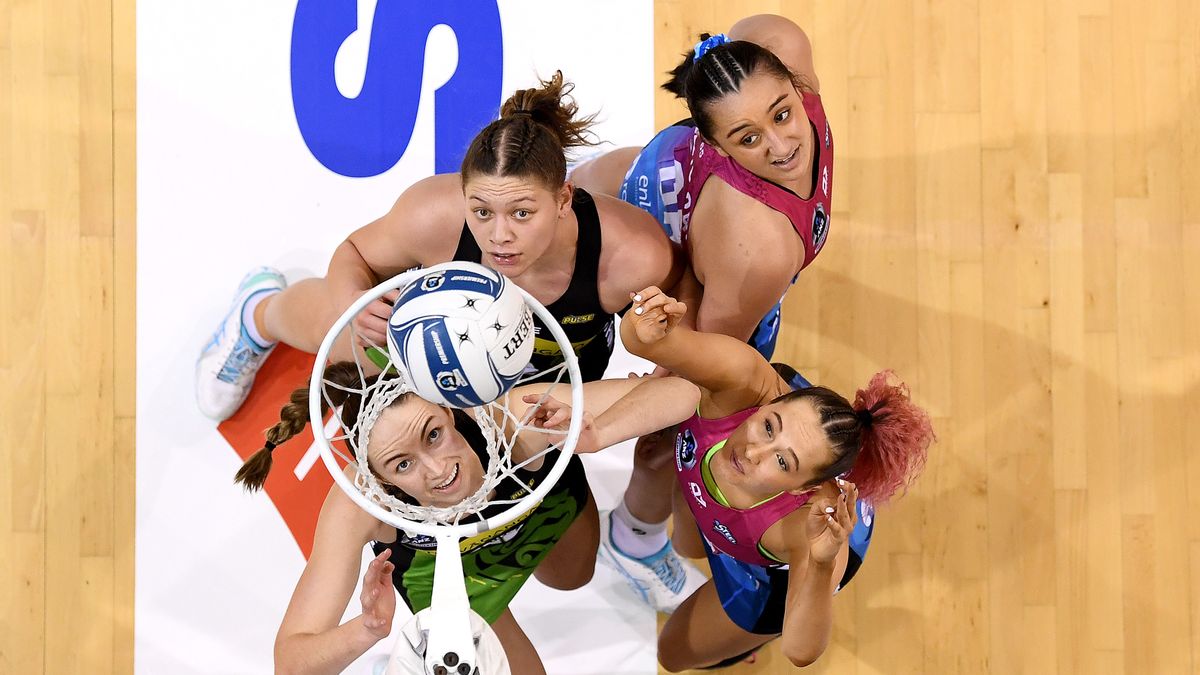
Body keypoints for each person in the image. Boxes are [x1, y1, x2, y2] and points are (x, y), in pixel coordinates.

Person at [196, 71, 681, 419]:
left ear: (562, 199)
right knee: (350, 336)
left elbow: (680, 337)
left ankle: (634, 535)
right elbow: (356, 254)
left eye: (521, 213)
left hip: (550, 379)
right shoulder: (436, 213)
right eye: (482, 211)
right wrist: (351, 305)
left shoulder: (631, 254)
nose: (499, 235)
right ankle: (258, 312)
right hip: (440, 338)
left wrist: (657, 361)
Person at [570, 14, 836, 614]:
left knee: (581, 192)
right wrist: (612, 421)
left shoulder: (782, 41)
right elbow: (695, 375)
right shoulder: (759, 253)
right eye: (747, 138)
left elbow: (727, 62)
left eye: (782, 112)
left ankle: (558, 191)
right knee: (683, 423)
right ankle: (634, 537)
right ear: (716, 144)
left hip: (651, 172)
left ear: (793, 81)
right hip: (680, 255)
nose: (782, 145)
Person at [234, 364, 701, 675]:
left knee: (574, 577)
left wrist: (604, 431)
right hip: (453, 583)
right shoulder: (359, 503)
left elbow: (684, 390)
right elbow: (290, 662)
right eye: (402, 464)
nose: (437, 470)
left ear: (445, 410)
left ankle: (628, 543)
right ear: (375, 477)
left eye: (433, 435)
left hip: (537, 514)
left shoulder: (510, 416)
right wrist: (367, 629)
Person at [620, 285, 933, 670]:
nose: (752, 452)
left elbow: (802, 651)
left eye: (783, 462)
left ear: (805, 487)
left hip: (768, 579)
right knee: (688, 545)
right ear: (770, 402)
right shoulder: (744, 380)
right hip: (739, 511)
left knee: (672, 655)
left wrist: (819, 566)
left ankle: (743, 644)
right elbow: (647, 340)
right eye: (768, 427)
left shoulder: (814, 525)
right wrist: (649, 321)